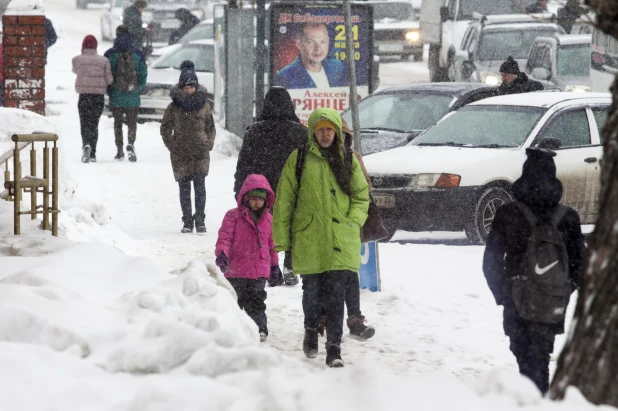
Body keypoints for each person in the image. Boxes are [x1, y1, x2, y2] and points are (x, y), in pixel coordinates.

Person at [483, 148, 585, 395]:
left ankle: (533, 401)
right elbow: (580, 266)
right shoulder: (568, 217)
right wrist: (561, 290)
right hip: (551, 303)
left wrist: (506, 296)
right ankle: (540, 399)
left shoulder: (508, 214)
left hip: (517, 302)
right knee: (541, 356)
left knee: (525, 359)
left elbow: (491, 263)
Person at [273, 108, 370, 368]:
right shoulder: (300, 158)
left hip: (341, 238)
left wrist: (353, 221)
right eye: (320, 129)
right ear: (313, 131)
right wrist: (282, 240)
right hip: (309, 238)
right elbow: (285, 200)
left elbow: (362, 196)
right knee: (312, 292)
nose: (325, 134)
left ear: (336, 132)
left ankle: (334, 348)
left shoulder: (347, 159)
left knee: (336, 295)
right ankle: (311, 330)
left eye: (330, 129)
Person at [233, 86, 307, 286]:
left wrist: (240, 190)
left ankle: (268, 266)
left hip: (261, 190)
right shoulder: (301, 133)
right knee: (292, 227)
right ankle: (289, 265)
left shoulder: (255, 132)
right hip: (291, 189)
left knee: (263, 228)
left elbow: (244, 165)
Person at [215, 174, 279, 342]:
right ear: (245, 197)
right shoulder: (233, 216)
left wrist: (274, 266)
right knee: (235, 301)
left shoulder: (269, 220)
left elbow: (272, 246)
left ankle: (259, 328)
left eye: (261, 198)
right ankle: (231, 327)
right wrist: (222, 254)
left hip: (259, 271)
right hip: (236, 270)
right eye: (254, 198)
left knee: (257, 301)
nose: (258, 202)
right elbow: (225, 237)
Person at [160, 60, 216, 233]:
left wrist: (208, 143)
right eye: (186, 87)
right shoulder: (173, 107)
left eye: (192, 87)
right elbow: (165, 128)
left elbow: (211, 127)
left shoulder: (205, 105)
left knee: (200, 187)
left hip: (200, 151)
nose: (189, 90)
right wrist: (173, 145)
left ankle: (200, 220)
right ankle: (187, 221)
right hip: (181, 152)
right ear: (181, 87)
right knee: (184, 188)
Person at [106, 30, 148, 161]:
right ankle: (131, 143)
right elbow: (143, 75)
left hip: (116, 97)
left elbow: (107, 76)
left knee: (117, 124)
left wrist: (111, 91)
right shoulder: (137, 54)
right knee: (132, 123)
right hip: (132, 97)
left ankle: (119, 150)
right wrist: (137, 89)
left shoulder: (110, 55)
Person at [72, 35, 114, 163]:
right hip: (98, 97)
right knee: (94, 124)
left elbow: (75, 70)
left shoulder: (77, 59)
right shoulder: (104, 61)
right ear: (96, 46)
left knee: (84, 123)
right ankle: (93, 153)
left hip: (83, 96)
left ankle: (86, 144)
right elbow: (109, 80)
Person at [272, 23, 348, 89]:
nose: (318, 48)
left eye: (323, 42)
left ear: (328, 42)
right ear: (299, 44)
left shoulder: (337, 67)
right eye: (310, 42)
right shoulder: (284, 77)